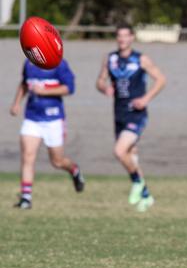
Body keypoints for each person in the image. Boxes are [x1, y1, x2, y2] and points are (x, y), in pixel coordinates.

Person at [96, 23, 166, 212]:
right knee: (131, 157)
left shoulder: (141, 59)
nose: (122, 39)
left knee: (119, 152)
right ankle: (146, 196)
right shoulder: (110, 59)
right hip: (119, 114)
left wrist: (145, 98)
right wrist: (104, 87)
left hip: (136, 115)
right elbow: (100, 81)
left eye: (126, 36)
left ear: (132, 37)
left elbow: (161, 79)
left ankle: (137, 182)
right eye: (119, 36)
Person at [9, 58, 84, 209]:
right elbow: (24, 83)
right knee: (28, 156)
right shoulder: (29, 63)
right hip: (32, 118)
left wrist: (44, 91)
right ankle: (26, 197)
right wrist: (16, 103)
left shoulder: (59, 63)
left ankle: (74, 170)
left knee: (57, 162)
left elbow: (70, 88)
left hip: (53, 119)